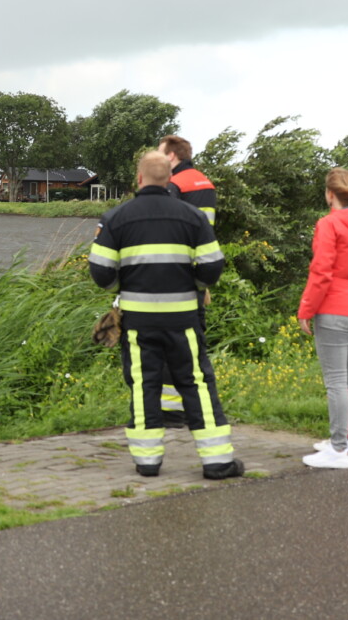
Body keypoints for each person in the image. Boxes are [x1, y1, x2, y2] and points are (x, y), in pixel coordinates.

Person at [89, 151, 242, 480]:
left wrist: (123, 284)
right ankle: (217, 461)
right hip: (183, 318)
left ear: (139, 179)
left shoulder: (116, 218)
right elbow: (213, 267)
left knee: (144, 385)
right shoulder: (193, 217)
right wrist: (196, 284)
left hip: (137, 320)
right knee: (196, 383)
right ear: (169, 180)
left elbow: (101, 273)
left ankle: (147, 463)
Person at [155, 134, 218, 427]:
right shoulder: (203, 182)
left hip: (174, 279)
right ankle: (199, 407)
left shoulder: (174, 185)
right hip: (196, 274)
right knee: (194, 347)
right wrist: (202, 284)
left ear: (171, 156)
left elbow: (169, 233)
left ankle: (171, 412)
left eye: (159, 153)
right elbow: (205, 236)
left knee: (169, 346)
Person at [297, 167, 348, 469]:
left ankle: (337, 449)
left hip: (334, 310)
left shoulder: (329, 223)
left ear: (330, 194)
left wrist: (306, 309)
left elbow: (322, 271)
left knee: (336, 382)